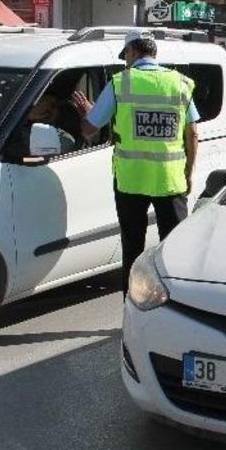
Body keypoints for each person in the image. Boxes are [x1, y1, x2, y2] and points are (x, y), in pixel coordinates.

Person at [71, 30, 201, 294]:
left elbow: (89, 130)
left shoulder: (121, 83)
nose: (126, 61)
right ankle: (174, 302)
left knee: (132, 248)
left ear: (131, 51)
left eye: (126, 56)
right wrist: (188, 173)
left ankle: (132, 305)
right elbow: (193, 134)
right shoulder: (180, 83)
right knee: (173, 250)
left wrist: (88, 112)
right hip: (170, 180)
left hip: (131, 181)